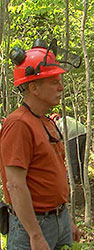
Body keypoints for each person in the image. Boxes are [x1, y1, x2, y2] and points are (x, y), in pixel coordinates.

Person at [0, 39, 82, 250]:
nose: (61, 87)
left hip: (58, 219)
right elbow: (15, 185)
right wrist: (35, 235)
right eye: (54, 82)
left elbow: (54, 173)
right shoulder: (18, 124)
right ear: (34, 87)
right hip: (34, 226)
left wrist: (66, 218)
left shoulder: (45, 121)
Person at [50, 113, 86, 181]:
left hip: (72, 136)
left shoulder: (58, 124)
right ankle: (81, 176)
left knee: (72, 157)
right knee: (80, 156)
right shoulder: (67, 118)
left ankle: (73, 176)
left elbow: (58, 139)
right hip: (83, 132)